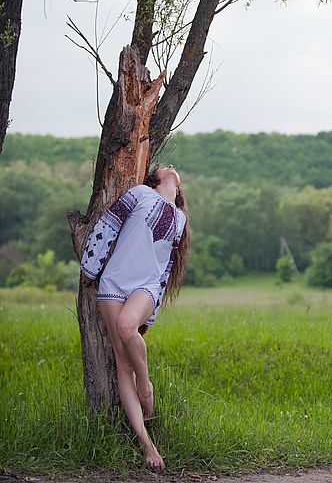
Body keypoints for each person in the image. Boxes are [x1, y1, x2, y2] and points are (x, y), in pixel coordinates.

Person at [79, 164, 190, 471]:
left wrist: (151, 314)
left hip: (146, 286)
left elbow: (166, 267)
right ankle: (146, 443)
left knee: (129, 325)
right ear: (155, 179)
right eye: (163, 166)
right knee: (122, 364)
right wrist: (89, 270)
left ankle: (146, 385)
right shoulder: (139, 193)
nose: (169, 166)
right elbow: (107, 226)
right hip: (113, 283)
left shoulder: (179, 219)